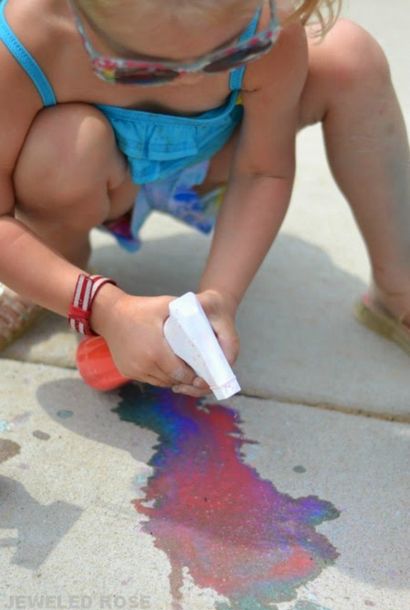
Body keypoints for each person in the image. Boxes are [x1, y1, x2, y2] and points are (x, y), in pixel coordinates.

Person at [0, 0, 408, 397]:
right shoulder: (29, 36)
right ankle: (57, 264)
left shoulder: (267, 24)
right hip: (85, 172)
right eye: (144, 70)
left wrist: (221, 297)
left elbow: (263, 170)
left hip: (214, 158)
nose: (191, 80)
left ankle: (399, 289)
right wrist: (104, 307)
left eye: (228, 54)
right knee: (62, 147)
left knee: (350, 57)